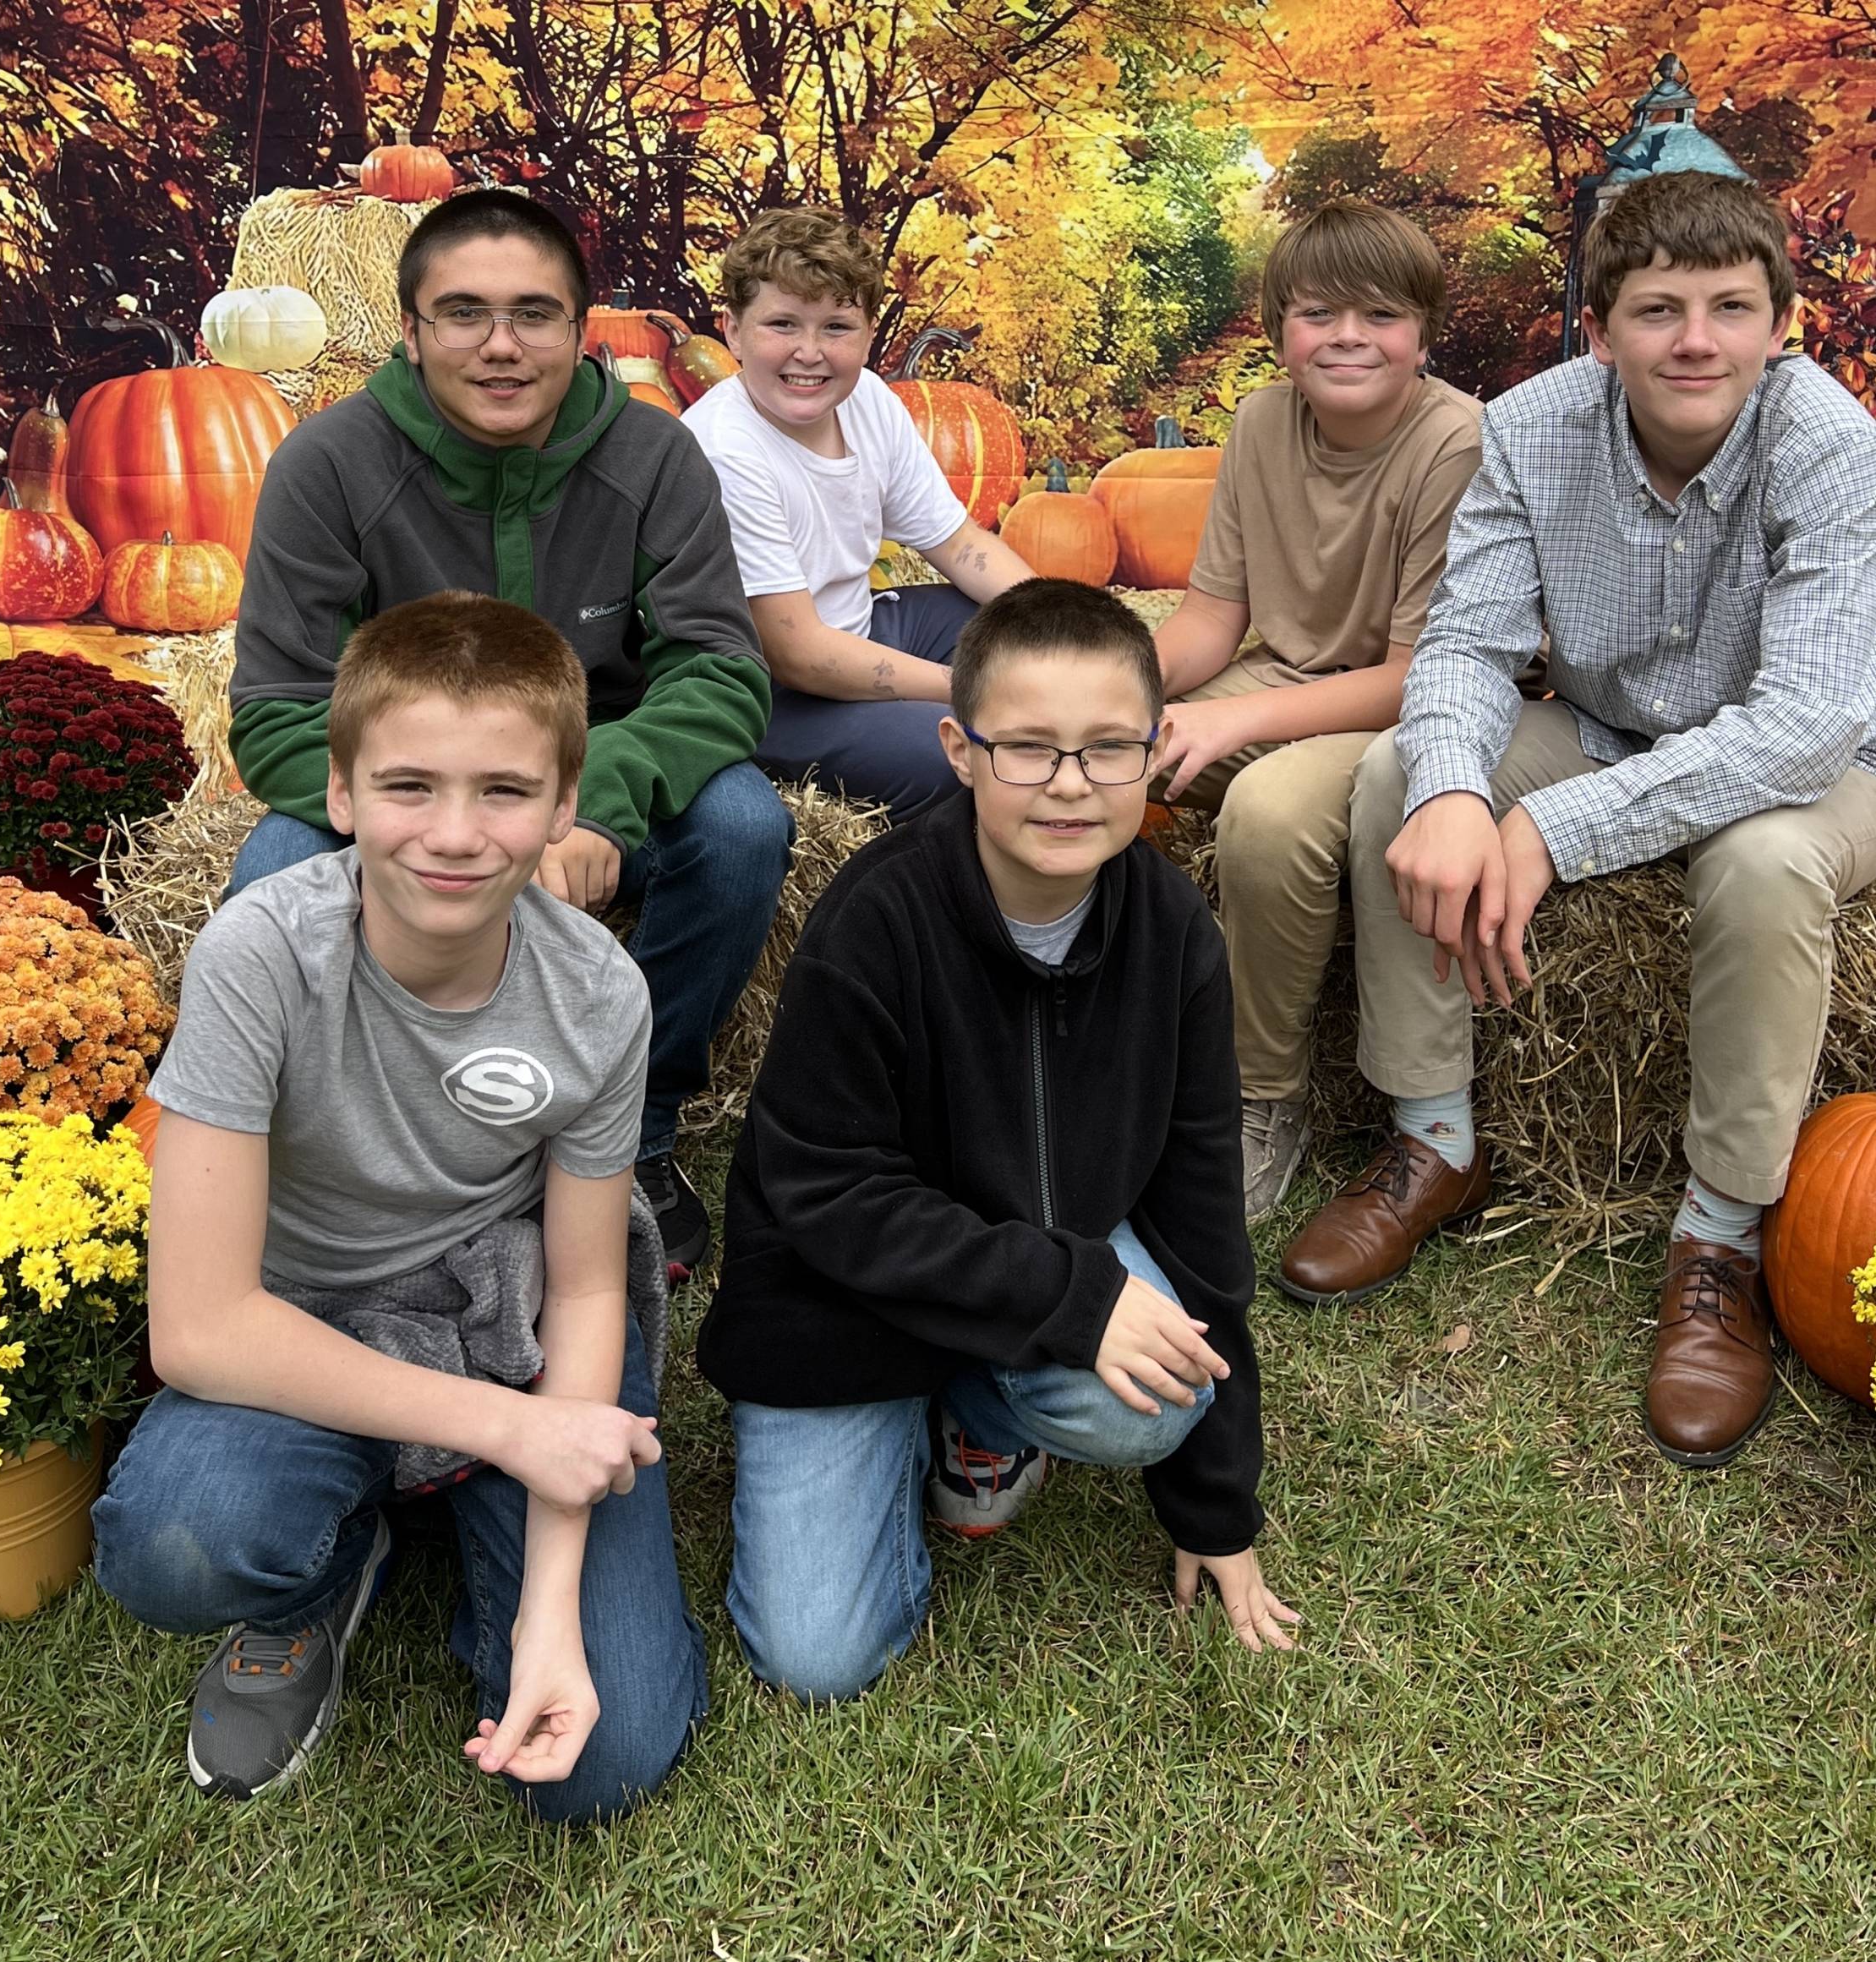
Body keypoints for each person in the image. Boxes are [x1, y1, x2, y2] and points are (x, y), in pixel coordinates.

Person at [1278, 172, 1876, 1470]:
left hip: (1823, 760)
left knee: (1757, 866)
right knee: (1395, 782)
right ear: (1599, 330)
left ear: (1781, 321)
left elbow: (1804, 726)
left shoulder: (1828, 443)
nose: (1695, 339)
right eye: (1657, 310)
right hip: (1604, 722)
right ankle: (1434, 1140)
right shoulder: (1532, 428)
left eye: (1730, 308)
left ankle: (1721, 1236)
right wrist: (1468, 794)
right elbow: (1468, 642)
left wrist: (1546, 833)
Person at [91, 593, 709, 1819]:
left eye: (504, 792)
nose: (456, 833)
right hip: (303, 1311)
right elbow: (202, 1328)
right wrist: (510, 1431)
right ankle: (325, 1564)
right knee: (176, 1541)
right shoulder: (260, 954)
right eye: (410, 786)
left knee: (608, 1757)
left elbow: (588, 1289)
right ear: (342, 792)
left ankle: (463, 1531)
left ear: (564, 806)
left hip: (510, 1309)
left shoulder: (596, 993)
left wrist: (548, 1612)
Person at [697, 579, 1297, 1702]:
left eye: (1109, 748)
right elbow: (827, 1195)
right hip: (846, 1300)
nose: (1070, 785)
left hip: (1031, 1246)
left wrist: (1217, 1505)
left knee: (1160, 1398)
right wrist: (1073, 1296)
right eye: (1027, 748)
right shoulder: (875, 922)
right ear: (958, 750)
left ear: (1156, 749)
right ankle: (922, 1409)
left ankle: (984, 1410)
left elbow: (1202, 1210)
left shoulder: (1176, 937)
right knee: (817, 1656)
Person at [226, 188, 790, 1272]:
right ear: (410, 328)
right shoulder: (328, 465)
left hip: (594, 778)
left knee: (743, 825)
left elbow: (722, 669)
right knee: (275, 863)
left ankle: (641, 1127)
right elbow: (280, 713)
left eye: (534, 314)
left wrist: (586, 810)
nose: (500, 345)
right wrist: (433, 809)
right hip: (408, 792)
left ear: (581, 331)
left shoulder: (656, 458)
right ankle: (340, 1158)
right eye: (464, 313)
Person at [1151, 199, 1482, 1220]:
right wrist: (1110, 694)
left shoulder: (1456, 444)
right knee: (1102, 754)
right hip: (1287, 676)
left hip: (1407, 708)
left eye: (1379, 314)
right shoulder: (1259, 421)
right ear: (1279, 329)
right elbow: (1212, 617)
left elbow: (1421, 670)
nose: (1346, 336)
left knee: (1267, 812)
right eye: (1317, 313)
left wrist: (1234, 725)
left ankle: (1263, 1098)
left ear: (1423, 332)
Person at [683, 206, 1040, 817]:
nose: (809, 353)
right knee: (965, 754)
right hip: (765, 691)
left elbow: (959, 544)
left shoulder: (869, 401)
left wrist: (1069, 627)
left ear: (870, 334)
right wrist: (976, 689)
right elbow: (799, 654)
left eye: (837, 327)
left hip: (860, 628)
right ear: (733, 332)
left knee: (1016, 629)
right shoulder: (723, 450)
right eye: (783, 324)